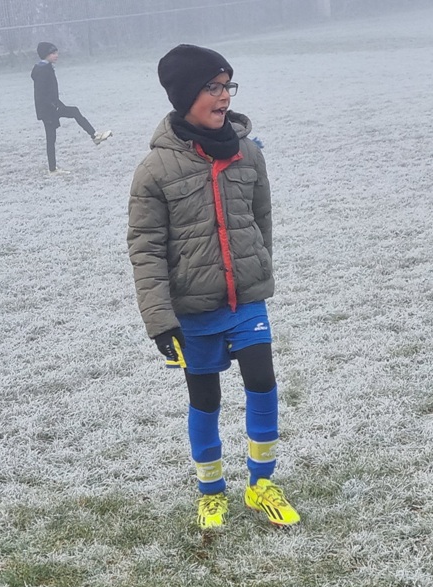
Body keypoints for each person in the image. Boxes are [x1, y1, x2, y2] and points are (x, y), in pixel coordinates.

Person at [127, 44, 300, 529]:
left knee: (263, 382)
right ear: (185, 95)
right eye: (212, 87)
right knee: (205, 399)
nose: (224, 96)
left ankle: (261, 485)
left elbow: (261, 220)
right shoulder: (154, 170)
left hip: (246, 301)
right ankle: (211, 492)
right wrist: (160, 320)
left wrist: (256, 271)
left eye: (227, 87)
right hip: (193, 309)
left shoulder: (248, 153)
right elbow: (145, 248)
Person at [31, 42, 112, 173]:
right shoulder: (42, 71)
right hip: (48, 110)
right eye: (53, 53)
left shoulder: (46, 68)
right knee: (51, 137)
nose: (56, 55)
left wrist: (57, 104)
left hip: (52, 106)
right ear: (46, 55)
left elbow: (50, 92)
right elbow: (41, 94)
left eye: (56, 52)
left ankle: (94, 136)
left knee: (71, 115)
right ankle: (94, 137)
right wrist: (54, 106)